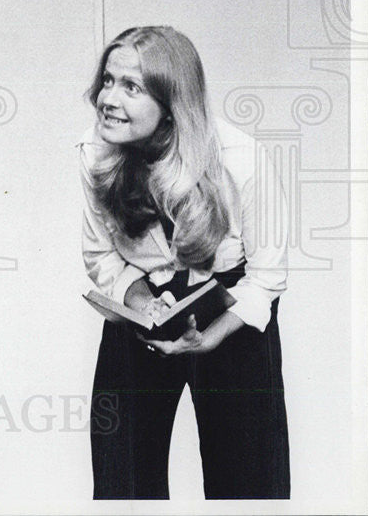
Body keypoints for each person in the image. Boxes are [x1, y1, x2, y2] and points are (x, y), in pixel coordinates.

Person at [79, 25, 289, 499]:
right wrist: (140, 302)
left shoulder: (240, 159)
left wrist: (210, 337)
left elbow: (268, 276)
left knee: (248, 482)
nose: (108, 99)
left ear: (173, 105)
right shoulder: (95, 152)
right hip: (143, 306)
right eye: (108, 81)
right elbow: (100, 255)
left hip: (229, 308)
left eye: (131, 87)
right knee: (122, 481)